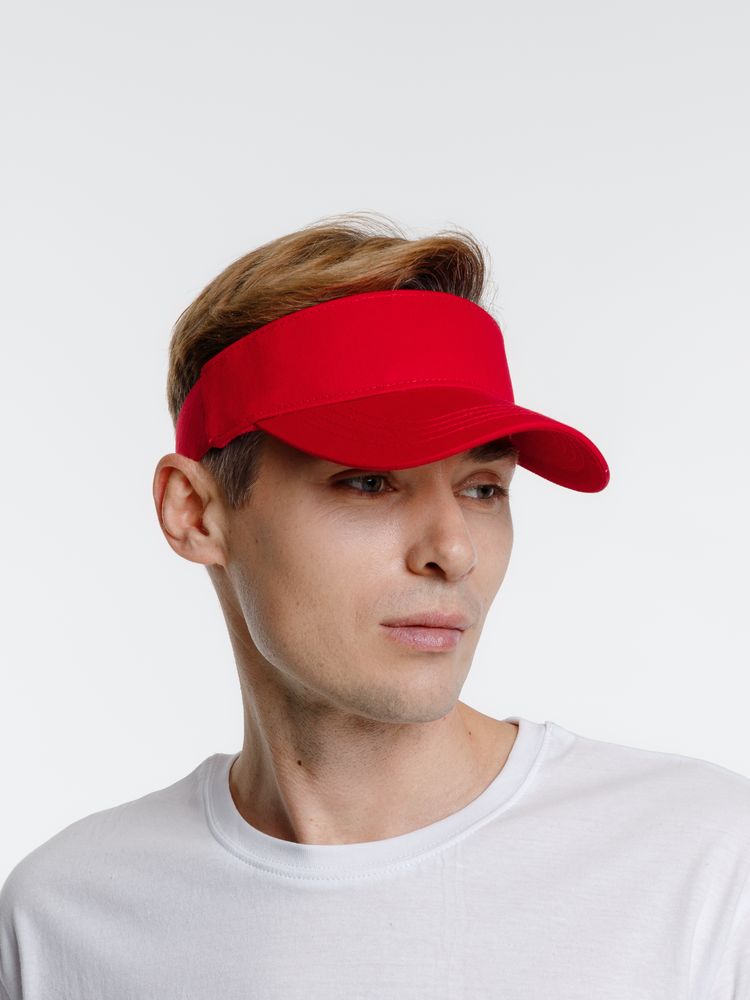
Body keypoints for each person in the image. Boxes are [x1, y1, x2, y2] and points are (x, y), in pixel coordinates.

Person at [1, 212, 748, 999]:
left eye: (483, 489)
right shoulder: (64, 920)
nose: (453, 550)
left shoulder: (703, 868)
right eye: (368, 481)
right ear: (195, 513)